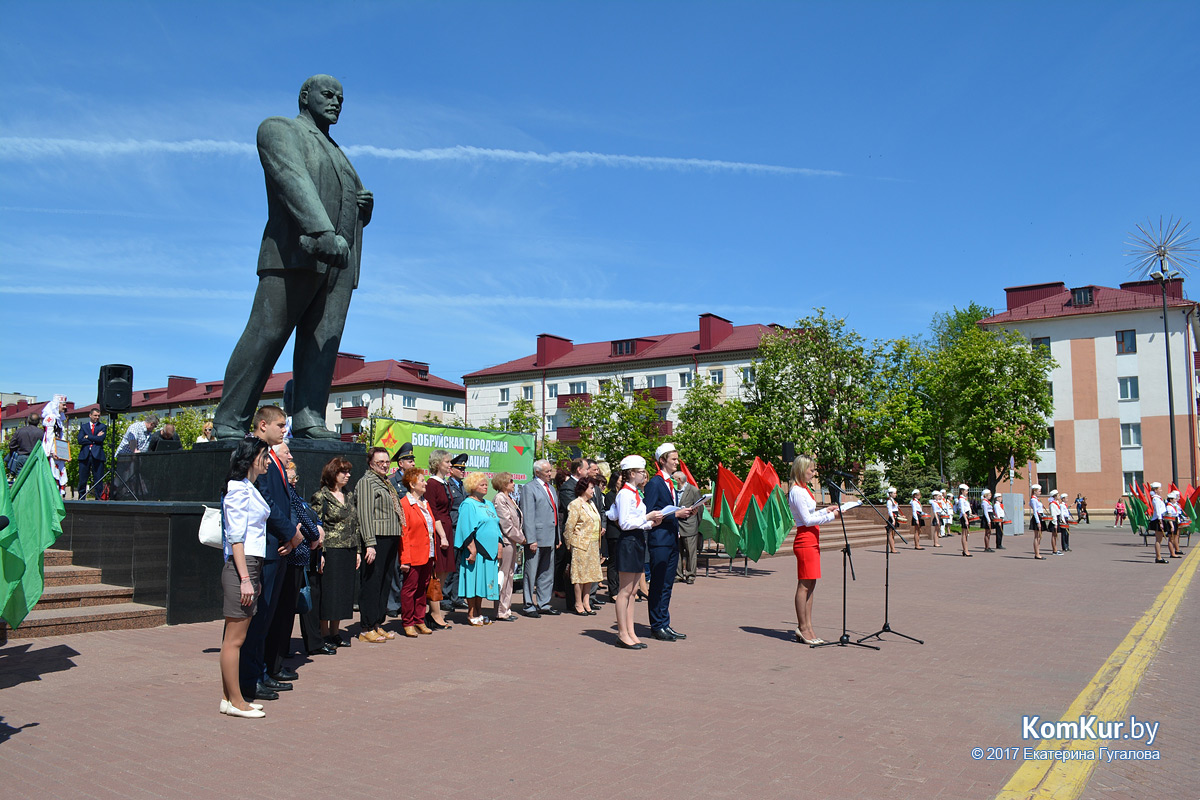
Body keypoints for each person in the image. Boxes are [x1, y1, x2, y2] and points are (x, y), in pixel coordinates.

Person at [213, 74, 373, 441]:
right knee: (265, 335)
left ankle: (308, 417)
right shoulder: (279, 129)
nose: (336, 102)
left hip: (339, 266)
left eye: (341, 99)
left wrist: (364, 208)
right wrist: (321, 231)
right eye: (328, 95)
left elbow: (347, 200)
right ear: (305, 96)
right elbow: (293, 180)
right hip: (295, 252)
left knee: (322, 346)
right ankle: (230, 420)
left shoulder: (340, 154)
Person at [240, 406, 304, 704]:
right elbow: (266, 502)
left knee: (267, 618)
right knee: (258, 618)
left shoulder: (271, 457)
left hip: (277, 546)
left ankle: (263, 672)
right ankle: (250, 679)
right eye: (280, 425)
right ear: (262, 424)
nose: (284, 431)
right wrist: (290, 533)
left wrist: (290, 535)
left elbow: (284, 501)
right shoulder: (253, 454)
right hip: (262, 548)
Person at [218, 436, 272, 719]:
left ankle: (229, 698)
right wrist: (245, 578)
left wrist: (253, 576)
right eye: (264, 456)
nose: (267, 460)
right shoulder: (238, 489)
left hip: (250, 565)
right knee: (234, 640)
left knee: (235, 637)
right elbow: (236, 538)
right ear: (252, 458)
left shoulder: (248, 487)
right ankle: (237, 702)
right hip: (243, 564)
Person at [264, 444, 324, 681]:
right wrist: (312, 534)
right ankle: (274, 664)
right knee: (281, 614)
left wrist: (315, 531)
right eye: (286, 454)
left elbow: (307, 516)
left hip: (297, 557)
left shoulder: (293, 494)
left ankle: (277, 662)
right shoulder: (282, 491)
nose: (290, 456)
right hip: (287, 557)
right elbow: (298, 517)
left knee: (285, 613)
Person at [607, 455, 663, 649]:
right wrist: (647, 517)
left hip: (637, 539)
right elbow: (624, 522)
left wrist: (651, 522)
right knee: (625, 591)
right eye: (640, 472)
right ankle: (622, 633)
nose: (643, 475)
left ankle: (630, 631)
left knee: (633, 590)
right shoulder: (625, 494)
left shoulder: (635, 493)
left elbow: (636, 520)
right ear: (631, 474)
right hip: (628, 541)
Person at [643, 443, 695, 642]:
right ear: (662, 460)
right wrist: (676, 513)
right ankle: (657, 625)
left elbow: (667, 511)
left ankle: (664, 623)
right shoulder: (655, 483)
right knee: (658, 584)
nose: (677, 462)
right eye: (673, 459)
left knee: (667, 584)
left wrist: (684, 513)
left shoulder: (670, 483)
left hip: (671, 538)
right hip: (659, 540)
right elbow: (650, 513)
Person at [788, 455, 841, 645]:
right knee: (804, 585)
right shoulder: (796, 491)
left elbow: (810, 514)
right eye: (810, 469)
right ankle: (803, 628)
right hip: (805, 539)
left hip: (812, 538)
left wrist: (825, 510)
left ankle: (808, 626)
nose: (813, 473)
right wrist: (831, 516)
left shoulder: (804, 489)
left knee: (811, 585)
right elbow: (807, 521)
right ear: (801, 470)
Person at [309, 457, 360, 651]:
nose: (347, 475)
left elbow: (355, 524)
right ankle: (323, 633)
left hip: (348, 549)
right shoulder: (321, 496)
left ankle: (335, 632)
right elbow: (316, 525)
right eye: (343, 472)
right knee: (328, 593)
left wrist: (357, 551)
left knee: (343, 593)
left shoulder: (349, 495)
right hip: (329, 549)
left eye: (348, 472)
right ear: (333, 474)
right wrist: (320, 553)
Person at [354, 447, 402, 642]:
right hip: (376, 538)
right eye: (379, 462)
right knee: (372, 582)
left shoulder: (385, 482)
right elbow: (364, 514)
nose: (384, 465)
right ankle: (366, 627)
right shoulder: (367, 482)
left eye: (386, 461)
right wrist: (370, 543)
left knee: (385, 581)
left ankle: (377, 623)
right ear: (370, 463)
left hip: (390, 536)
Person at [455, 471, 503, 626]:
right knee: (473, 582)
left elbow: (496, 525)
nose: (485, 487)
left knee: (482, 583)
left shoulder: (488, 503)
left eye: (486, 485)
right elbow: (465, 528)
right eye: (482, 485)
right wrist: (472, 550)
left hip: (490, 552)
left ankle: (479, 612)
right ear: (472, 486)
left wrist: (499, 545)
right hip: (476, 551)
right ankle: (471, 613)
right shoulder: (468, 504)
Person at [396, 466, 435, 637]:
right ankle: (408, 622)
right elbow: (404, 533)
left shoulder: (425, 503)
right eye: (421, 480)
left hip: (428, 553)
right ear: (412, 484)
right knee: (410, 589)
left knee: (422, 588)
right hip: (413, 555)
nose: (425, 483)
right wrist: (405, 559)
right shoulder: (405, 504)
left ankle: (420, 620)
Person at [520, 459, 561, 617]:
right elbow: (528, 515)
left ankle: (544, 603)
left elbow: (555, 514)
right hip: (536, 538)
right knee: (531, 572)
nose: (550, 474)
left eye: (550, 471)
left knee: (547, 572)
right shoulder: (529, 488)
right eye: (547, 472)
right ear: (537, 472)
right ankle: (529, 604)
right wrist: (531, 539)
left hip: (550, 537)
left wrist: (557, 537)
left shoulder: (551, 488)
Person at [423, 449, 456, 628]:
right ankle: (435, 614)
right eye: (447, 462)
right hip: (438, 531)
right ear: (437, 463)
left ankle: (433, 611)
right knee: (436, 574)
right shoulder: (432, 484)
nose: (450, 465)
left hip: (446, 528)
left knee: (444, 573)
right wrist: (442, 535)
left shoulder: (445, 483)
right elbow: (433, 511)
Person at [565, 478, 602, 615]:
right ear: (583, 489)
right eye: (591, 488)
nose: (593, 491)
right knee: (579, 576)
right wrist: (570, 544)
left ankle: (586, 602)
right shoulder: (576, 504)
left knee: (589, 575)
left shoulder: (591, 503)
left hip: (593, 544)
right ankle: (578, 603)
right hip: (580, 544)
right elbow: (569, 526)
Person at [492, 472, 524, 622]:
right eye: (511, 481)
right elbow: (506, 524)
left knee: (510, 575)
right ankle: (500, 610)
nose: (513, 483)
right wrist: (522, 538)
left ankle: (506, 608)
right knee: (503, 576)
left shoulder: (510, 498)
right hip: (506, 541)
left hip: (512, 541)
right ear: (504, 483)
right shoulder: (500, 498)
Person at [440, 453, 468, 611]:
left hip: (462, 529)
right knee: (449, 565)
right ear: (452, 470)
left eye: (464, 468)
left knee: (459, 565)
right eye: (459, 468)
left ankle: (456, 596)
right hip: (452, 528)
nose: (463, 471)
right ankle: (445, 597)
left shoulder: (462, 486)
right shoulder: (447, 485)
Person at [675, 470, 704, 581]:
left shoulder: (693, 490)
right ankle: (678, 574)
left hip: (689, 526)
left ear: (679, 480)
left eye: (674, 479)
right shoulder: (672, 490)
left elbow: (700, 509)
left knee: (691, 552)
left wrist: (696, 524)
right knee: (677, 551)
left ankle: (690, 575)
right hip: (676, 525)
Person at [75, 408, 107, 499]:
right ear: (90, 415)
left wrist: (88, 436)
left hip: (97, 455)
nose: (97, 417)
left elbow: (100, 439)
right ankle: (81, 498)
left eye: (98, 416)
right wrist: (94, 438)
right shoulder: (84, 426)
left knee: (98, 479)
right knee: (82, 479)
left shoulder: (102, 426)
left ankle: (98, 499)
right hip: (85, 455)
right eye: (95, 415)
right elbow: (80, 440)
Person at [42, 395, 70, 496]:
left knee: (60, 472)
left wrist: (65, 453)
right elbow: (49, 436)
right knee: (53, 474)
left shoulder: (59, 419)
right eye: (63, 404)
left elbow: (60, 437)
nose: (65, 407)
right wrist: (52, 451)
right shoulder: (51, 418)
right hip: (52, 453)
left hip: (59, 452)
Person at [5, 413, 44, 477]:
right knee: (34, 477)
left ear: (28, 420)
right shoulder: (42, 433)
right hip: (36, 457)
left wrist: (14, 452)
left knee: (21, 478)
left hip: (22, 457)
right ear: (39, 421)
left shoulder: (20, 431)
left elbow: (12, 445)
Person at [1148, 482, 1169, 563]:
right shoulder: (1156, 499)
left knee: (1159, 539)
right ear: (1156, 490)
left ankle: (1159, 556)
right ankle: (1158, 557)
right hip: (1158, 519)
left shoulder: (1158, 498)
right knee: (1158, 540)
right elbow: (1158, 511)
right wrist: (1160, 522)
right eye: (1159, 489)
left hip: (1160, 519)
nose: (1161, 490)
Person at [1029, 484, 1047, 560]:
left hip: (1040, 516)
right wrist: (1038, 522)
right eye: (1039, 491)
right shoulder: (1033, 500)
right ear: (1035, 491)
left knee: (1039, 536)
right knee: (1037, 536)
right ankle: (1037, 554)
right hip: (1037, 518)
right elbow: (1035, 511)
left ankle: (1038, 552)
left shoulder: (1036, 499)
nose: (1040, 492)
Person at [1165, 490, 1184, 559]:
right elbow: (1169, 517)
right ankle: (1172, 553)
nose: (1176, 500)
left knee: (1173, 537)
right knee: (1171, 538)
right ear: (1170, 499)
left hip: (1174, 521)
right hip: (1171, 522)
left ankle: (1173, 552)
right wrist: (1172, 526)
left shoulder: (1172, 506)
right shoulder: (1169, 507)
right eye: (1174, 499)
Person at [955, 484, 972, 556]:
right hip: (964, 516)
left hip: (966, 515)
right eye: (966, 491)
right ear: (962, 491)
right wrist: (966, 520)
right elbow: (962, 510)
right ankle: (965, 550)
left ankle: (965, 549)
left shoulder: (964, 499)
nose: (967, 492)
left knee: (966, 534)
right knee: (964, 534)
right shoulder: (961, 499)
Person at [1047, 490, 1063, 555]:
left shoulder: (1057, 502)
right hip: (1054, 520)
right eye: (1058, 495)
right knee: (1054, 535)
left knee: (1055, 535)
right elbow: (1053, 514)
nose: (1059, 496)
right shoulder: (1052, 504)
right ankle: (1054, 550)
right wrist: (1055, 523)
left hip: (1057, 519)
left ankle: (1055, 549)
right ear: (1055, 496)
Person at [884, 487, 900, 554]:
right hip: (892, 518)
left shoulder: (893, 501)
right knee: (890, 533)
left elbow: (896, 510)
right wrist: (893, 520)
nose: (895, 494)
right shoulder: (889, 501)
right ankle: (892, 548)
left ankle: (893, 547)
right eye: (894, 493)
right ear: (890, 494)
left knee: (893, 533)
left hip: (895, 516)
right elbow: (890, 511)